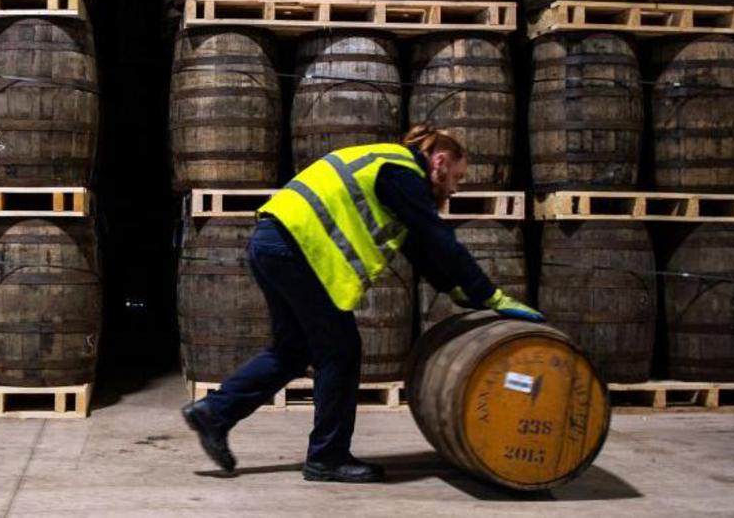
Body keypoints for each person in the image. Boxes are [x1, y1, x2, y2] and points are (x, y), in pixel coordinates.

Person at [181, 124, 544, 483]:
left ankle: (215, 412)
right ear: (440, 161)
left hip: (273, 242)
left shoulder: (389, 170)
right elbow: (437, 238)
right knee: (340, 350)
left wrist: (456, 288)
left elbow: (419, 247)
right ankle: (327, 456)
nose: (455, 187)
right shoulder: (401, 171)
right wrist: (488, 294)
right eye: (457, 177)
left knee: (293, 349)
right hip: (298, 248)